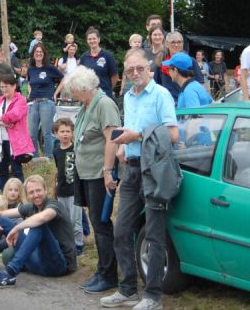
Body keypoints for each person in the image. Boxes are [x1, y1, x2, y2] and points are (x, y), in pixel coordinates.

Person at [101, 48, 179, 310]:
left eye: (139, 68)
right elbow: (130, 131)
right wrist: (124, 146)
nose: (135, 73)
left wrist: (137, 136)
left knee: (154, 235)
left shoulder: (161, 94)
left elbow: (173, 135)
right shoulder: (128, 96)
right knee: (121, 231)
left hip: (154, 170)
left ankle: (153, 296)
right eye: (130, 70)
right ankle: (127, 290)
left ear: (150, 69)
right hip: (132, 168)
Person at [64, 66, 120, 294]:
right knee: (96, 222)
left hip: (98, 174)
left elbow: (112, 139)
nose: (72, 94)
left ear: (83, 87)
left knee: (101, 223)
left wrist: (108, 171)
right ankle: (102, 270)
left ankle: (109, 274)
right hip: (85, 173)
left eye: (74, 90)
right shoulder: (86, 106)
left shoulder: (104, 104)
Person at [0, 175, 78, 288]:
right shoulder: (31, 207)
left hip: (59, 265)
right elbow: (1, 214)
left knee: (38, 224)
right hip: (38, 261)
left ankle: (9, 273)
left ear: (45, 190)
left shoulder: (54, 205)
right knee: (1, 220)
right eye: (31, 192)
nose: (35, 195)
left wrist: (17, 228)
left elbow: (43, 217)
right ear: (27, 195)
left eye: (38, 190)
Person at [0, 73, 35, 189]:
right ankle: (4, 194)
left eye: (6, 86)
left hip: (14, 142)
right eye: (2, 87)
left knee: (16, 170)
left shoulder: (21, 100)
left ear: (14, 86)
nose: (4, 89)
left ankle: (20, 193)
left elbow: (14, 115)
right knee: (2, 170)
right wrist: (3, 123)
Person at [52, 118, 84, 257]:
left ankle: (78, 245)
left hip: (74, 191)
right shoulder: (56, 151)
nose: (65, 134)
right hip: (61, 190)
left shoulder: (76, 149)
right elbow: (58, 169)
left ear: (72, 133)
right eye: (62, 131)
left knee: (75, 220)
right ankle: (67, 244)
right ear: (56, 133)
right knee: (64, 219)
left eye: (68, 131)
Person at [27, 43, 64, 158]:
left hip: (46, 102)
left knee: (46, 133)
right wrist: (30, 93)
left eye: (40, 52)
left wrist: (55, 93)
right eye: (36, 52)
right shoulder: (31, 69)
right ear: (33, 54)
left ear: (44, 54)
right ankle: (34, 158)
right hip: (33, 103)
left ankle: (49, 158)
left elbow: (63, 79)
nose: (38, 53)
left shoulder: (50, 68)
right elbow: (29, 82)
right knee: (32, 133)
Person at [155, 31, 204, 104]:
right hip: (167, 102)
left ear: (183, 43)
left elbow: (200, 83)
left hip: (186, 102)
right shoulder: (161, 62)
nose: (176, 45)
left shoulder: (191, 61)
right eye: (173, 42)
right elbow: (156, 85)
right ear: (166, 44)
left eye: (179, 42)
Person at [79, 27, 119, 99]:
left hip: (104, 95)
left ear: (99, 39)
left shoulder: (107, 56)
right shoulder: (84, 57)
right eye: (89, 39)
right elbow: (80, 75)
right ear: (87, 41)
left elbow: (115, 76)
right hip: (88, 96)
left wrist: (109, 89)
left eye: (94, 38)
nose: (92, 41)